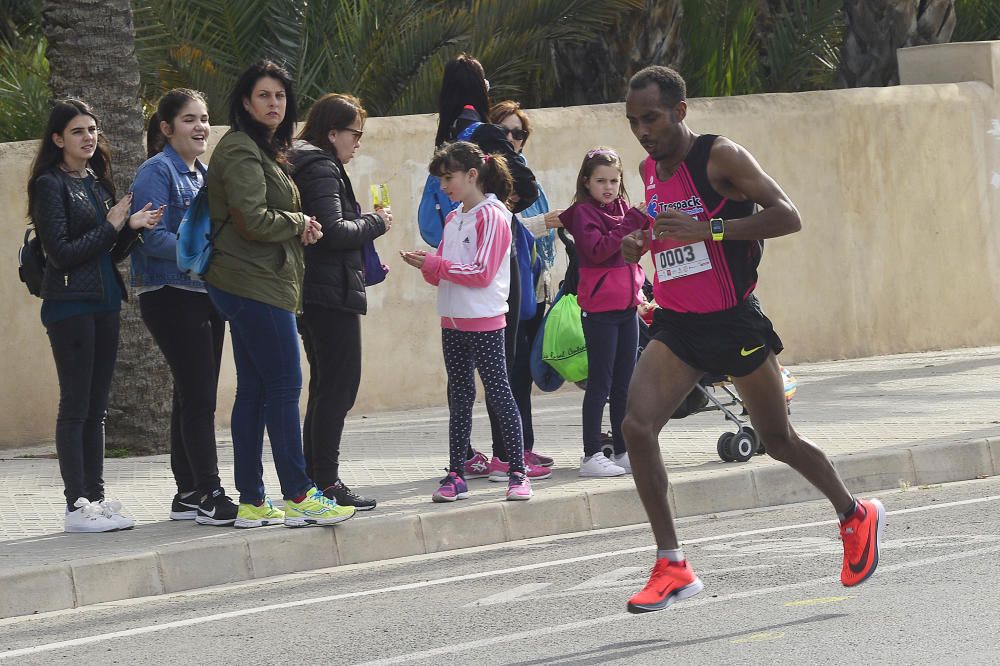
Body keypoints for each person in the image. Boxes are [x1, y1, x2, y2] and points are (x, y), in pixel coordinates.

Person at [619, 66, 885, 613]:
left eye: (651, 118)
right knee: (636, 427)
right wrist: (640, 241)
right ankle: (672, 564)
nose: (642, 130)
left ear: (680, 112)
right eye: (633, 121)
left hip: (734, 322)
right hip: (679, 326)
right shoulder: (649, 169)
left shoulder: (721, 157)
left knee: (778, 440)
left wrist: (713, 230)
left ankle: (855, 515)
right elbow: (669, 230)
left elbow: (788, 216)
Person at [203, 60, 355, 529]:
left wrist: (292, 224)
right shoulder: (242, 152)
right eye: (264, 95)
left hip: (252, 282)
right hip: (254, 284)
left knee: (253, 390)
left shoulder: (260, 149)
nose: (274, 104)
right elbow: (252, 217)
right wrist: (300, 222)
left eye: (281, 96)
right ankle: (299, 494)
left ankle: (251, 501)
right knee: (286, 386)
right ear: (246, 102)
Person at [27, 99, 161, 532]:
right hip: (69, 307)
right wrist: (112, 224)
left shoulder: (96, 182)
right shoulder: (49, 185)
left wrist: (132, 227)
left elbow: (109, 249)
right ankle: (76, 505)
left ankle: (98, 499)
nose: (89, 137)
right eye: (78, 131)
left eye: (93, 130)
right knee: (77, 405)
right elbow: (62, 253)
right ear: (57, 139)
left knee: (97, 408)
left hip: (104, 302)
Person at [433, 54, 547, 483]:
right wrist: (503, 201)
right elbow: (529, 186)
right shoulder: (481, 132)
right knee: (505, 370)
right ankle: (511, 459)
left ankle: (461, 461)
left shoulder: (445, 133)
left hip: (454, 263)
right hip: (494, 265)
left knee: (460, 383)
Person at [401, 141, 532, 502]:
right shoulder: (453, 217)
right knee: (459, 396)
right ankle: (455, 473)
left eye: (449, 178)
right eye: (442, 179)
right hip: (452, 322)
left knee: (500, 392)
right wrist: (425, 265)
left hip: (485, 320)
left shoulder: (494, 216)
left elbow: (481, 273)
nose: (444, 186)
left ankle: (517, 472)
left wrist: (434, 265)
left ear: (472, 175)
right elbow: (443, 271)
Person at [129, 89, 237, 526]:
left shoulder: (204, 174)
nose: (200, 127)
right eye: (189, 119)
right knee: (198, 395)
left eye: (205, 118)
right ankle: (210, 491)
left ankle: (188, 491)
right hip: (169, 295)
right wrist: (202, 253)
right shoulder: (156, 172)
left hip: (205, 295)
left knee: (192, 392)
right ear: (166, 128)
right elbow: (150, 237)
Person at [288, 93, 392, 510]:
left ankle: (316, 479)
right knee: (339, 388)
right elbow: (333, 230)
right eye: (355, 133)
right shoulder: (322, 169)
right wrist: (376, 222)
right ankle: (326, 481)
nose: (358, 143)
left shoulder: (306, 164)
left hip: (315, 292)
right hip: (329, 294)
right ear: (333, 133)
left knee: (325, 387)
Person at [558, 148, 647, 477]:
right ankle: (591, 454)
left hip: (628, 307)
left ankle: (622, 450)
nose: (608, 187)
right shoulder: (583, 213)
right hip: (600, 311)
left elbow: (633, 249)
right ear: (587, 181)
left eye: (614, 180)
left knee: (625, 383)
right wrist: (631, 224)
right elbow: (596, 251)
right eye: (600, 181)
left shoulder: (623, 210)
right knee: (600, 383)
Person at [487, 100, 561, 469]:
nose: (513, 139)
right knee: (509, 373)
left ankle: (523, 445)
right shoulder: (490, 179)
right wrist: (544, 224)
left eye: (519, 133)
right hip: (506, 290)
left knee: (524, 372)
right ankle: (509, 452)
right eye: (505, 132)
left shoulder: (525, 173)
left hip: (535, 285)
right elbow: (502, 232)